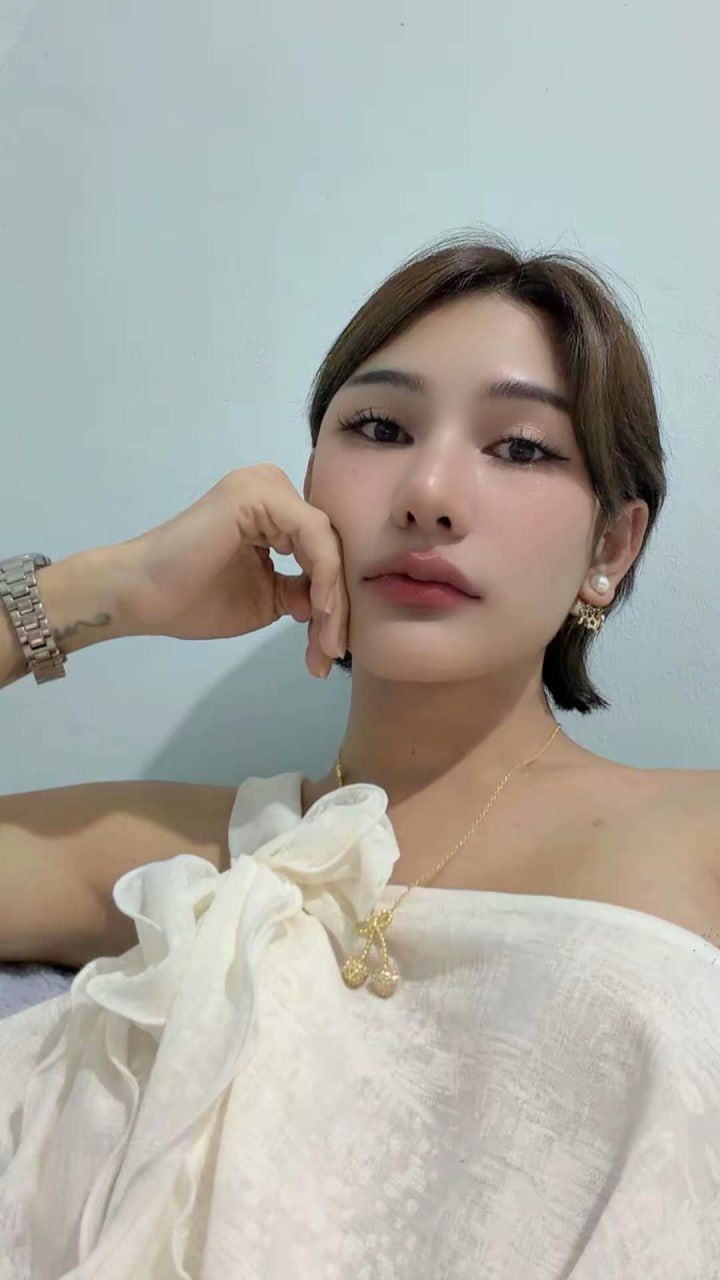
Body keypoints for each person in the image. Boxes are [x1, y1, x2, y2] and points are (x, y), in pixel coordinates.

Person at [0, 232, 718, 1279]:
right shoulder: (189, 858)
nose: (427, 491)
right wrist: (106, 591)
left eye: (520, 448)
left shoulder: (699, 832)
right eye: (380, 428)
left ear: (611, 547)